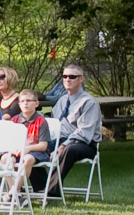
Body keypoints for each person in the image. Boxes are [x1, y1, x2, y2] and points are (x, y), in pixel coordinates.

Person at [47, 64, 102, 198]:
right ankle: (40, 188)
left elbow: (84, 133)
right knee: (33, 149)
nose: (67, 80)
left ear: (81, 79)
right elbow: (55, 123)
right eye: (65, 76)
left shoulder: (88, 102)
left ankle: (51, 192)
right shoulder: (62, 100)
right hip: (60, 138)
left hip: (84, 143)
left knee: (68, 151)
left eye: (72, 77)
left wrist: (64, 145)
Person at [9, 89, 52, 196]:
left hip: (35, 152)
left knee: (27, 159)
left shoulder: (41, 121)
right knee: (5, 159)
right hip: (17, 151)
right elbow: (9, 141)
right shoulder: (14, 121)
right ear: (19, 104)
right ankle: (14, 190)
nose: (25, 103)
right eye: (22, 101)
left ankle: (13, 193)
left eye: (29, 101)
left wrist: (28, 148)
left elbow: (43, 146)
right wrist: (14, 148)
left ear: (36, 104)